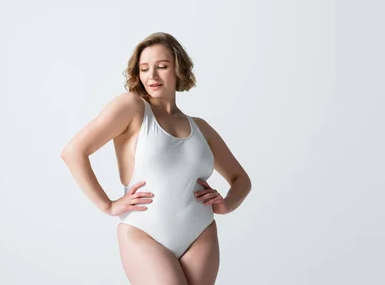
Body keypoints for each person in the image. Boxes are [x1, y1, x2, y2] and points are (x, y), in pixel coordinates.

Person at [61, 32, 252, 285]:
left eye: (162, 66)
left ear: (178, 69)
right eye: (144, 68)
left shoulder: (200, 127)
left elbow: (241, 180)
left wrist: (227, 204)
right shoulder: (132, 107)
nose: (151, 76)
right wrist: (108, 205)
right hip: (143, 233)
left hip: (201, 233)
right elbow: (73, 152)